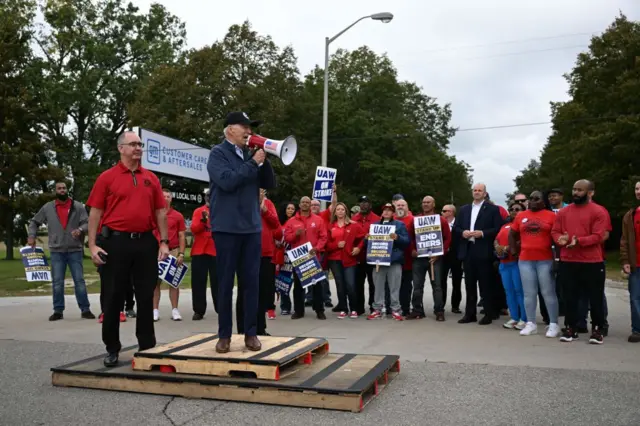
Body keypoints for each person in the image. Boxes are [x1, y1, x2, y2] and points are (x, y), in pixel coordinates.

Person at [86, 131, 169, 367]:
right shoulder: (107, 177)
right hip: (115, 243)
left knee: (145, 295)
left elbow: (160, 212)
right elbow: (95, 213)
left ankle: (146, 347)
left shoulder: (151, 178)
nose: (138, 148)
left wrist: (163, 242)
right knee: (113, 296)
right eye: (133, 144)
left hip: (145, 242)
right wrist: (92, 245)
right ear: (121, 148)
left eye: (140, 144)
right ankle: (112, 347)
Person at [206, 111, 276, 353]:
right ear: (229, 130)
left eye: (250, 127)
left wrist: (263, 160)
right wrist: (252, 163)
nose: (249, 131)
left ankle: (251, 332)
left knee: (251, 283)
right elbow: (227, 181)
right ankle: (224, 335)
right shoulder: (218, 154)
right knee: (225, 283)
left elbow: (269, 184)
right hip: (226, 228)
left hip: (250, 228)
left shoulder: (251, 155)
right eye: (244, 126)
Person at [28, 180, 95, 321]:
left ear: (67, 189)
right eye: (59, 188)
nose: (62, 190)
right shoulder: (48, 208)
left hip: (75, 249)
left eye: (64, 188)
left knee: (80, 281)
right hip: (57, 250)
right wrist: (31, 236)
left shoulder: (77, 206)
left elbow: (87, 222)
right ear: (56, 191)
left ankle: (85, 309)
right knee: (57, 282)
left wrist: (80, 229)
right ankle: (58, 310)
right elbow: (34, 222)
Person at [551, 179, 608, 344]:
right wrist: (559, 239)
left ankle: (597, 329)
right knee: (570, 296)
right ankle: (571, 328)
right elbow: (555, 231)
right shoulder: (564, 212)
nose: (576, 193)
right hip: (568, 260)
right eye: (574, 189)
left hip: (592, 261)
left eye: (580, 190)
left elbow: (599, 236)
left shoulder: (599, 211)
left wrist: (579, 241)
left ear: (590, 193)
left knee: (595, 297)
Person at [509, 191, 561, 337]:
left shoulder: (551, 216)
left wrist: (557, 258)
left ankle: (553, 323)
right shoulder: (521, 216)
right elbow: (512, 234)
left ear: (543, 201)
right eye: (531, 199)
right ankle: (530, 323)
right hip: (525, 259)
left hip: (545, 259)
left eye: (536, 199)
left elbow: (556, 238)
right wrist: (514, 250)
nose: (532, 201)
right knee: (528, 293)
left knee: (548, 292)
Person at [454, 183, 504, 325]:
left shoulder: (493, 210)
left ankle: (488, 313)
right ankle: (470, 314)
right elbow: (456, 228)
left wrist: (482, 233)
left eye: (479, 190)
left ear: (484, 193)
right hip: (468, 250)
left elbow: (498, 228)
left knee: (485, 284)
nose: (476, 192)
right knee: (469, 284)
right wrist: (462, 232)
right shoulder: (464, 209)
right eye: (475, 190)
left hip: (483, 251)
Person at [236, 189, 281, 336]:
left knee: (262, 292)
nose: (259, 192)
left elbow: (276, 225)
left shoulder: (268, 204)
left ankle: (260, 328)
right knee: (244, 290)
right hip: (245, 253)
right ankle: (242, 329)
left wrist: (264, 210)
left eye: (262, 190)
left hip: (265, 253)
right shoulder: (242, 201)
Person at [283, 196, 328, 320]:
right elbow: (286, 238)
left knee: (317, 285)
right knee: (298, 286)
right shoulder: (292, 221)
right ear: (300, 204)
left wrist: (317, 248)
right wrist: (294, 235)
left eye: (307, 202)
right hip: (299, 258)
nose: (305, 204)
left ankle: (319, 310)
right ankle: (298, 311)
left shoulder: (318, 220)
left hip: (314, 256)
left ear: (310, 205)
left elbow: (323, 237)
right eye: (303, 202)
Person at [367, 203, 410, 321]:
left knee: (395, 286)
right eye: (384, 210)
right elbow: (368, 244)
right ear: (381, 212)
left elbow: (407, 242)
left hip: (394, 260)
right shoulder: (374, 225)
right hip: (378, 260)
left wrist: (398, 237)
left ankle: (396, 310)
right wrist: (367, 239)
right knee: (378, 286)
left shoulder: (399, 225)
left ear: (393, 213)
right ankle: (377, 309)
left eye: (389, 210)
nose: (386, 212)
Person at [325, 202, 365, 318]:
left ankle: (353, 309)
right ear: (335, 212)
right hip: (334, 259)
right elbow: (327, 245)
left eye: (342, 209)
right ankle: (343, 308)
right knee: (340, 285)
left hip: (349, 259)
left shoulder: (354, 225)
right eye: (338, 209)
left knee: (351, 285)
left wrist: (358, 248)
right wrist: (336, 245)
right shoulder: (330, 226)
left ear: (346, 211)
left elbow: (364, 237)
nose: (340, 211)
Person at [153, 188, 186, 321]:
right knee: (155, 283)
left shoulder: (178, 216)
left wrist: (182, 253)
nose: (165, 198)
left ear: (171, 199)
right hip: (156, 250)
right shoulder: (154, 214)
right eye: (163, 196)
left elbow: (182, 235)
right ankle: (155, 310)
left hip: (173, 250)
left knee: (174, 282)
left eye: (168, 196)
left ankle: (175, 310)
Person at [494, 201, 526, 330]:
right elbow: (496, 239)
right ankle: (514, 317)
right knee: (509, 292)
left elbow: (522, 241)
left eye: (517, 209)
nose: (514, 211)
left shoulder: (524, 225)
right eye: (511, 209)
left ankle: (524, 318)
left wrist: (507, 248)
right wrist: (497, 247)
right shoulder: (505, 225)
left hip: (516, 262)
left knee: (520, 291)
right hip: (504, 263)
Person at [190, 191, 218, 320]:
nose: (209, 199)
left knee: (218, 281)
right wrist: (203, 221)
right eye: (207, 197)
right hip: (199, 250)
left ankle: (221, 308)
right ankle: (198, 310)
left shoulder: (221, 211)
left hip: (216, 250)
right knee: (198, 282)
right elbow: (194, 229)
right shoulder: (198, 211)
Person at [620, 180, 640, 343]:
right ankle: (637, 330)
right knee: (635, 297)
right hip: (636, 264)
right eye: (636, 188)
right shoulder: (631, 215)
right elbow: (625, 240)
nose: (638, 191)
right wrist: (625, 260)